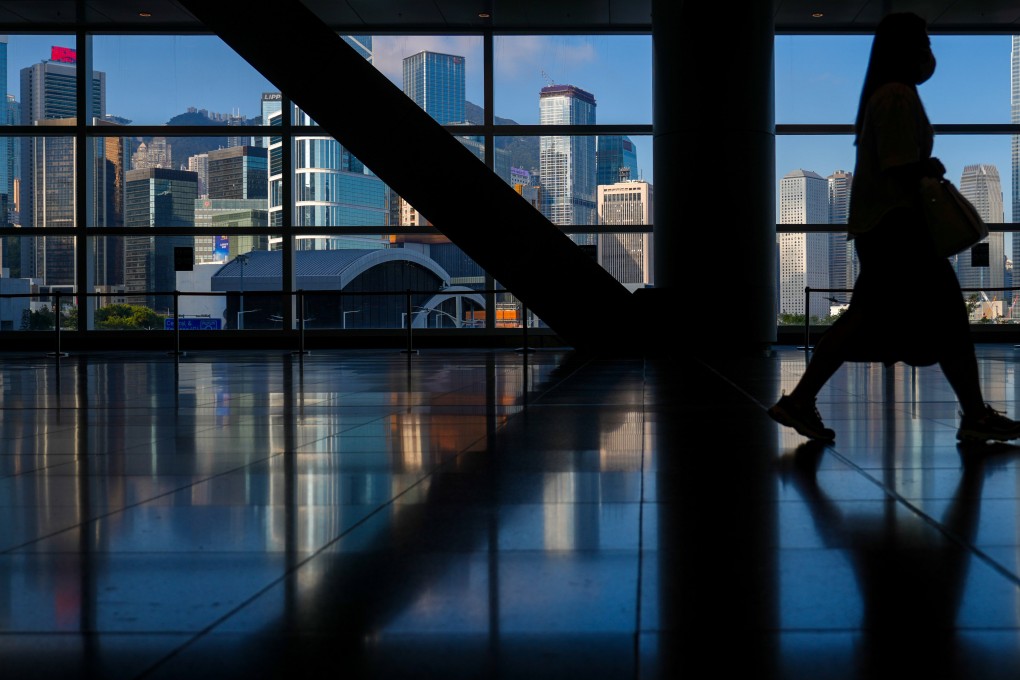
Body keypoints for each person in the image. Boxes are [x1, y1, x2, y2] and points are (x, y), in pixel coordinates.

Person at [768, 11, 1020, 444]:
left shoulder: (884, 95)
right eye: (923, 42)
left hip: (883, 230)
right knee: (942, 318)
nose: (929, 52)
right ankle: (975, 415)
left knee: (880, 318)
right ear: (905, 49)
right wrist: (929, 166)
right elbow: (898, 165)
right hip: (899, 230)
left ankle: (801, 400)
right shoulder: (897, 96)